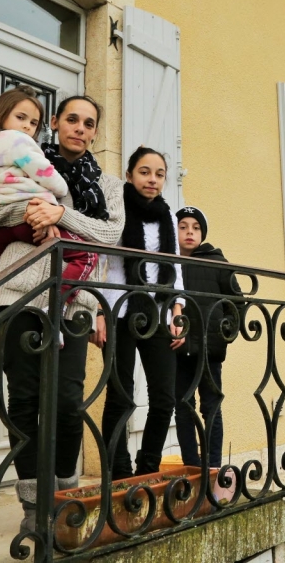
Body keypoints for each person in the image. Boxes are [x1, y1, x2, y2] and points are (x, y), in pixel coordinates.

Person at [0, 95, 124, 534]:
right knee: (24, 403)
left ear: (94, 132)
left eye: (89, 123)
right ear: (54, 123)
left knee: (68, 404)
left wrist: (62, 214)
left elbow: (112, 234)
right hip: (16, 294)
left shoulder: (108, 185)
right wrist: (28, 210)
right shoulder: (20, 159)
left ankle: (66, 499)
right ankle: (34, 510)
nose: (80, 127)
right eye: (71, 119)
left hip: (74, 302)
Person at [0, 85, 97, 376]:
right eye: (21, 118)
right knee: (86, 255)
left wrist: (45, 214)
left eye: (32, 122)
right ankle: (56, 305)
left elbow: (110, 232)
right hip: (29, 224)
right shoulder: (21, 145)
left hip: (5, 229)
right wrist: (42, 209)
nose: (27, 126)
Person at [97, 147, 186, 479]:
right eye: (145, 172)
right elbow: (104, 264)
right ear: (130, 174)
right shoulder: (115, 210)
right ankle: (117, 475)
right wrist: (99, 312)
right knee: (120, 398)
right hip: (119, 310)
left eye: (159, 174)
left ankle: (147, 470)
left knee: (164, 399)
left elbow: (175, 267)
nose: (152, 179)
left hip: (158, 314)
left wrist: (178, 311)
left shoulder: (168, 217)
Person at [174, 206, 241, 469]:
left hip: (210, 350)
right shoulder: (169, 263)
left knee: (211, 408)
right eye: (183, 227)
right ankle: (191, 466)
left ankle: (213, 467)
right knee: (183, 407)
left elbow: (237, 302)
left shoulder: (217, 262)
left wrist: (226, 333)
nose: (190, 232)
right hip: (178, 348)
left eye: (196, 227)